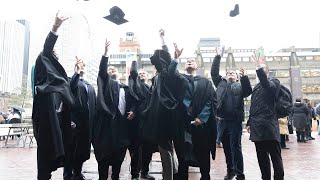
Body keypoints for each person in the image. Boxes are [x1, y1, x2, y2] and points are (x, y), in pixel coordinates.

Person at [32, 12, 75, 180]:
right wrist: (55, 27)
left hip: (56, 124)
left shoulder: (57, 82)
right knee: (44, 163)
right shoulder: (43, 77)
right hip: (45, 123)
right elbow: (47, 50)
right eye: (51, 54)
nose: (54, 54)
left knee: (53, 159)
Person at [171, 42, 217, 180]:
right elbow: (170, 75)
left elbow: (211, 101)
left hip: (201, 125)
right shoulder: (179, 79)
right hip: (182, 124)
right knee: (182, 155)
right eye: (187, 61)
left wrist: (202, 118)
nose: (190, 62)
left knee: (203, 154)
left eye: (192, 61)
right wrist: (175, 59)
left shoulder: (205, 82)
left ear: (197, 66)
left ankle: (205, 176)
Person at [92, 39, 137, 180]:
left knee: (118, 160)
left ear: (120, 74)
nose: (111, 70)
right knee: (104, 162)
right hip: (106, 128)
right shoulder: (106, 84)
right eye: (109, 69)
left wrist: (134, 111)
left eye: (114, 69)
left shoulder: (126, 88)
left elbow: (135, 102)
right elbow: (102, 71)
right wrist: (105, 54)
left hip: (122, 129)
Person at [211, 48, 252, 180]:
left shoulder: (240, 86)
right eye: (228, 72)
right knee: (227, 149)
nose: (230, 74)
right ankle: (230, 171)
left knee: (236, 147)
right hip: (222, 121)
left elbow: (248, 91)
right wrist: (217, 57)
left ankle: (240, 173)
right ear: (225, 76)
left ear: (237, 77)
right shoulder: (221, 84)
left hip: (235, 121)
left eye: (233, 73)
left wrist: (245, 77)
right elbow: (213, 72)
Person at [246, 55, 284, 180]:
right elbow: (255, 106)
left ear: (267, 71)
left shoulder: (274, 82)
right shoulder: (256, 87)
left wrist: (258, 67)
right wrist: (249, 122)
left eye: (262, 68)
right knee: (262, 158)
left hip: (269, 126)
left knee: (275, 157)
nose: (259, 71)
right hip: (257, 126)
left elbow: (266, 84)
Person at [63, 57, 96, 180]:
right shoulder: (70, 80)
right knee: (70, 149)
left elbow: (94, 104)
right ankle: (67, 175)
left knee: (82, 149)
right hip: (74, 122)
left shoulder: (89, 85)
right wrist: (76, 72)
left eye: (83, 66)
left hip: (86, 123)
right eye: (79, 66)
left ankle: (78, 173)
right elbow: (71, 88)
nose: (82, 68)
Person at [128, 60, 156, 180]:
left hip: (149, 125)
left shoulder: (152, 89)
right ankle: (135, 174)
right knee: (136, 150)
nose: (142, 74)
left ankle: (145, 172)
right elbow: (134, 73)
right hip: (137, 123)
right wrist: (134, 62)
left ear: (148, 76)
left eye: (144, 73)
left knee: (148, 150)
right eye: (140, 73)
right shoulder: (135, 85)